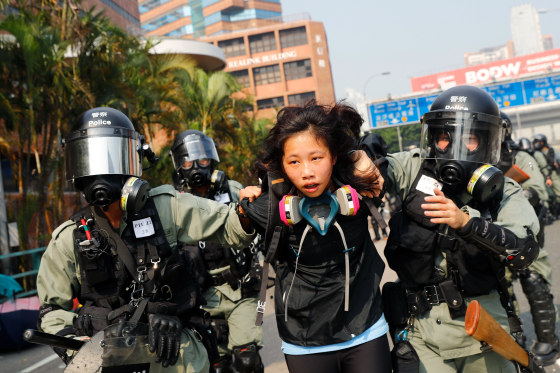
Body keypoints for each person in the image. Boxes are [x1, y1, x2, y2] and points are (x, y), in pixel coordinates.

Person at [36, 107, 256, 372]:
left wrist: (249, 210)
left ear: (134, 162)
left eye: (114, 158)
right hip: (104, 356)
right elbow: (52, 310)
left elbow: (228, 224)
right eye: (89, 160)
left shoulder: (167, 208)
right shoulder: (69, 236)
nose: (101, 173)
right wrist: (73, 341)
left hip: (174, 351)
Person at [369, 85, 540, 373]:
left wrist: (467, 224)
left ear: (487, 142)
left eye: (469, 139)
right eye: (444, 138)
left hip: (482, 332)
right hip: (421, 333)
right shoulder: (414, 170)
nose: (454, 148)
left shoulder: (504, 190)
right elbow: (376, 169)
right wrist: (364, 158)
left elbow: (523, 251)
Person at [238, 101, 391, 373]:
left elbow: (408, 167)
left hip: (365, 331)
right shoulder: (268, 207)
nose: (307, 172)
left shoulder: (362, 184)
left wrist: (360, 155)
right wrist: (243, 210)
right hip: (304, 343)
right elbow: (220, 223)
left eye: (316, 158)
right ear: (283, 166)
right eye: (294, 162)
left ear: (333, 156)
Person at [169, 130, 264, 373]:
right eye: (188, 162)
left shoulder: (233, 191)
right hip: (200, 299)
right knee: (216, 368)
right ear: (179, 166)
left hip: (241, 290)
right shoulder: (174, 203)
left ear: (211, 160)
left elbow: (257, 229)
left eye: (202, 160)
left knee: (247, 362)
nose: (196, 168)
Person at [497, 112, 559, 366]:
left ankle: (548, 341)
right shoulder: (476, 159)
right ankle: (515, 345)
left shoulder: (520, 157)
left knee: (535, 282)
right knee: (501, 291)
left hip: (523, 234)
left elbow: (538, 193)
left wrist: (510, 192)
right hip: (490, 236)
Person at [532, 134, 560, 218]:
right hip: (543, 177)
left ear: (543, 142)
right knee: (547, 196)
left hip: (553, 175)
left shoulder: (552, 151)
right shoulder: (536, 153)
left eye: (537, 142)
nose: (535, 144)